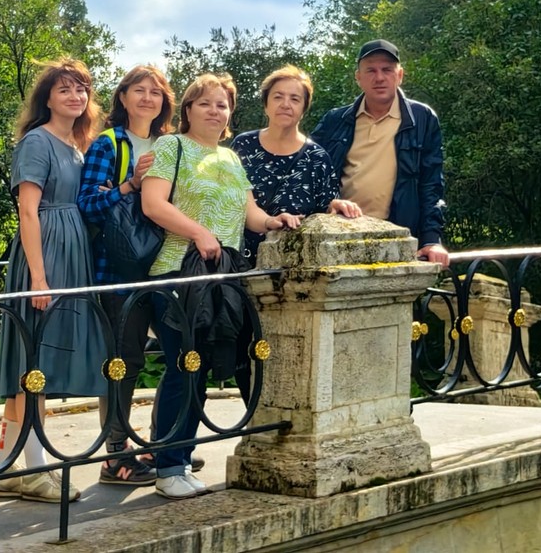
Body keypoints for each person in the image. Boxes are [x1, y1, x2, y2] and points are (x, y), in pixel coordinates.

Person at [141, 73, 301, 500]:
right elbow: (152, 204)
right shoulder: (171, 147)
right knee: (184, 365)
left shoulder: (230, 158)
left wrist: (274, 221)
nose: (215, 111)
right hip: (176, 272)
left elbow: (250, 213)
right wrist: (199, 232)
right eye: (205, 103)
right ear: (188, 109)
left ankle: (178, 459)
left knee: (202, 365)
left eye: (222, 105)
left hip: (221, 276)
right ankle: (168, 467)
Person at [0, 58, 107, 503]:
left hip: (71, 253)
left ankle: (3, 470)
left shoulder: (77, 144)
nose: (75, 96)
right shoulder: (38, 141)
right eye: (64, 89)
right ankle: (36, 470)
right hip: (47, 255)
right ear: (48, 99)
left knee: (35, 362)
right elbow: (27, 210)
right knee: (33, 364)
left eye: (81, 89)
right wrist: (39, 278)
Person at [77, 65, 175, 486]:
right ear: (123, 97)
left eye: (156, 92)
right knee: (125, 360)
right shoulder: (109, 143)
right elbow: (86, 204)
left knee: (180, 353)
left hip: (166, 265)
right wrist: (130, 185)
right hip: (119, 270)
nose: (147, 98)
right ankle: (115, 455)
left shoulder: (171, 144)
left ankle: (161, 446)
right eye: (139, 90)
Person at [311, 39, 451, 267]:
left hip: (397, 239)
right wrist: (328, 202)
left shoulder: (422, 119)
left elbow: (431, 185)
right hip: (339, 239)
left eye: (387, 69)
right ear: (358, 77)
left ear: (400, 75)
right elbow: (311, 175)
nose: (379, 77)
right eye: (371, 70)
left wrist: (431, 240)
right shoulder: (334, 121)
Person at [231, 64, 362, 263]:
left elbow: (326, 210)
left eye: (295, 99)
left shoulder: (317, 158)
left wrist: (336, 205)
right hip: (239, 260)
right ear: (266, 104)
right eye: (278, 97)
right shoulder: (243, 146)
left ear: (303, 109)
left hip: (291, 265)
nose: (285, 104)